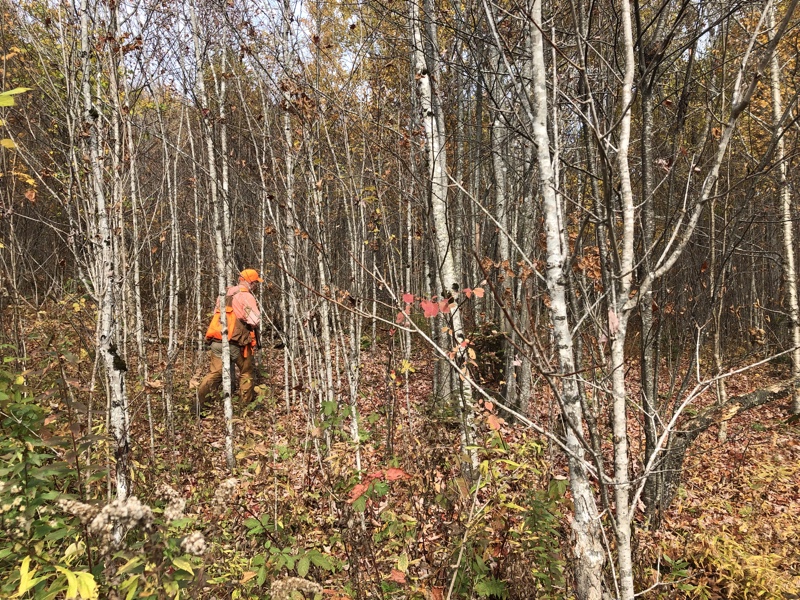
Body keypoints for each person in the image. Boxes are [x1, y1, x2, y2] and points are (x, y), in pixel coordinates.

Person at [198, 269, 262, 417]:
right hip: (235, 343)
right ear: (250, 283)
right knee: (246, 372)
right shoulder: (246, 296)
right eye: (255, 283)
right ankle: (247, 408)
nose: (256, 287)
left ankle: (200, 405)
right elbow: (254, 320)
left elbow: (216, 314)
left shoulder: (225, 293)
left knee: (215, 374)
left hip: (217, 341)